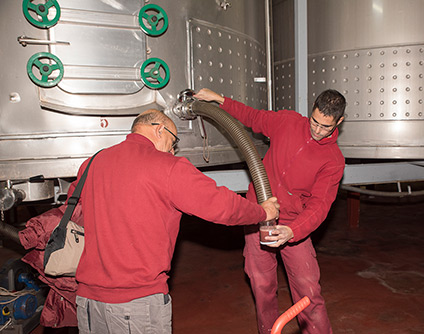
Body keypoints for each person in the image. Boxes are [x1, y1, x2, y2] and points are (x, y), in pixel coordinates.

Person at [69, 109, 280, 334]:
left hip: (88, 302)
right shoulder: (167, 166)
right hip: (137, 303)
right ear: (159, 130)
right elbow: (222, 206)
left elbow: (75, 214)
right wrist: (262, 212)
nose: (172, 150)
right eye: (173, 141)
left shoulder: (92, 163)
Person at [195, 88, 346, 334]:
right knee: (261, 284)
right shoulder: (287, 122)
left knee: (308, 291)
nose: (317, 131)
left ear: (339, 122)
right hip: (258, 216)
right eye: (315, 122)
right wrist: (221, 99)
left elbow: (319, 206)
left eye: (325, 127)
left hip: (293, 225)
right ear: (311, 112)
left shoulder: (333, 160)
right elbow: (253, 117)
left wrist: (292, 231)